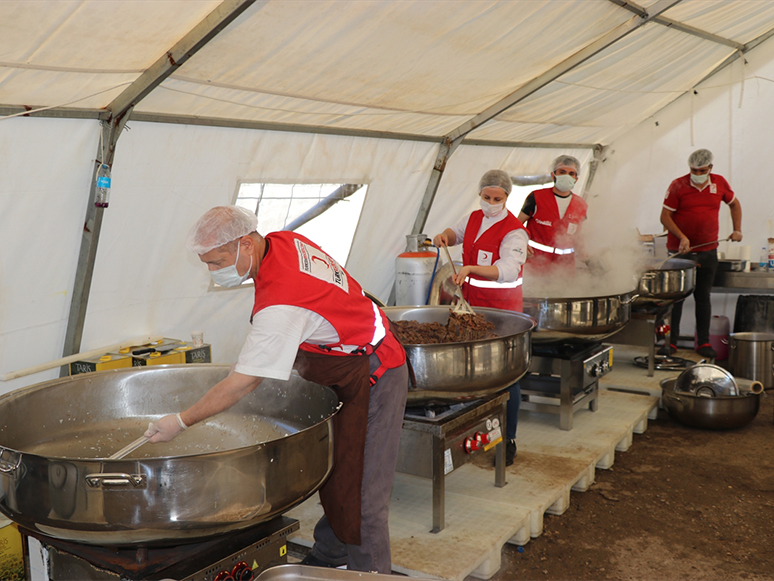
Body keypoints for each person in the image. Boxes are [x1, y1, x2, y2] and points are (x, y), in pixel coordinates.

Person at [144, 206, 408, 574]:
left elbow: (242, 382)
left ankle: (371, 574)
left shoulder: (282, 303)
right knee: (340, 471)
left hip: (376, 375)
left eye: (216, 261)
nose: (213, 271)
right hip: (349, 364)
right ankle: (331, 555)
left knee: (364, 498)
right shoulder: (284, 241)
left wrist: (181, 420)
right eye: (206, 263)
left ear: (245, 244)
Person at [432, 169, 528, 466]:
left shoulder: (515, 231)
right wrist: (443, 237)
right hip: (472, 311)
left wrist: (471, 269)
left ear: (507, 197)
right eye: (486, 197)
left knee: (506, 375)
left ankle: (508, 438)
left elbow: (509, 269)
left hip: (502, 312)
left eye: (497, 198)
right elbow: (455, 233)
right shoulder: (473, 218)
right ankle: (474, 428)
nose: (490, 202)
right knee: (473, 370)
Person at [660, 149, 743, 358]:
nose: (697, 173)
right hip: (680, 252)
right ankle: (671, 342)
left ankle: (703, 342)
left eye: (702, 170)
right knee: (675, 299)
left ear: (710, 168)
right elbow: (665, 217)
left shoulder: (720, 183)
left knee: (703, 297)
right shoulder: (678, 185)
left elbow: (734, 205)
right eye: (694, 170)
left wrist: (737, 229)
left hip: (708, 251)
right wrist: (682, 237)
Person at [518, 155, 588, 272]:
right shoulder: (536, 197)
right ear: (553, 175)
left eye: (571, 174)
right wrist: (521, 245)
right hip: (535, 264)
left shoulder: (581, 205)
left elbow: (578, 237)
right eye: (562, 172)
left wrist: (588, 259)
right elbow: (516, 225)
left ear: (576, 178)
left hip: (565, 268)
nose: (567, 176)